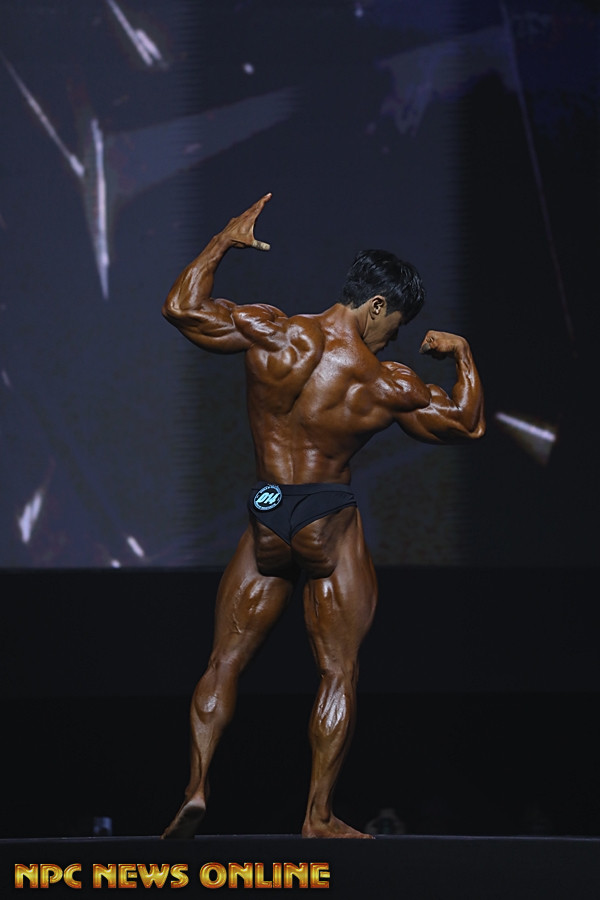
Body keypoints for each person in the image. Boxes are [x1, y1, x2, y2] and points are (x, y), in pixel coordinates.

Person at [160, 192, 485, 840]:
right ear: (377, 306)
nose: (393, 337)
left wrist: (223, 241)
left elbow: (182, 308)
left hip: (269, 507)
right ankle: (318, 816)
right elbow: (465, 424)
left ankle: (196, 787)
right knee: (338, 670)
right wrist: (462, 354)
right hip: (325, 513)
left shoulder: (275, 331)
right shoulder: (382, 379)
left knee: (224, 660)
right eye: (395, 324)